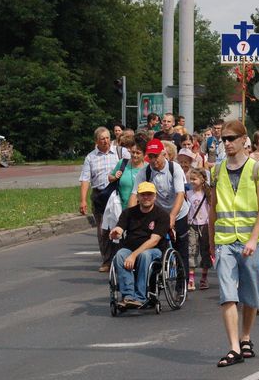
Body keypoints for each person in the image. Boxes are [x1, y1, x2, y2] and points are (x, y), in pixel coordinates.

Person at [208, 120, 259, 368]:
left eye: (232, 138)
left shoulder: (257, 170)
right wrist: (211, 242)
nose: (227, 143)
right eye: (224, 139)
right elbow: (213, 208)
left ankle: (245, 337)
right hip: (224, 241)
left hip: (249, 241)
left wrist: (254, 238)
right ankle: (234, 347)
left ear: (244, 140)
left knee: (251, 296)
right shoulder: (216, 171)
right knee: (227, 295)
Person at [130, 138, 191, 274]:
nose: (153, 160)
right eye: (150, 157)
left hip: (179, 212)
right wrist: (130, 218)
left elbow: (180, 194)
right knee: (156, 245)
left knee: (180, 248)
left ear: (163, 154)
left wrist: (172, 217)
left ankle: (183, 282)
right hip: (159, 214)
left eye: (156, 156)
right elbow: (134, 195)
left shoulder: (174, 168)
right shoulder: (145, 172)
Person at [109, 182, 170, 308]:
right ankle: (128, 296)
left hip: (154, 250)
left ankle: (141, 297)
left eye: (149, 194)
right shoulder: (128, 213)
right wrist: (117, 231)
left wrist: (133, 255)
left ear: (155, 196)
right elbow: (120, 227)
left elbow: (154, 240)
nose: (146, 197)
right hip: (130, 248)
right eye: (143, 195)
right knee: (120, 255)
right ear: (138, 196)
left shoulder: (162, 215)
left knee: (144, 255)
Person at [79, 127, 131, 271]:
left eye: (107, 137)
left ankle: (122, 257)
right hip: (100, 195)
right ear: (96, 141)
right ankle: (107, 261)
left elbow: (134, 163)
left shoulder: (121, 152)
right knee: (103, 229)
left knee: (121, 226)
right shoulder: (91, 157)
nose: (106, 141)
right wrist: (82, 200)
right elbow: (85, 179)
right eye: (102, 138)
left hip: (118, 194)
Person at [186, 168, 212, 291]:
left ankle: (204, 277)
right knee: (192, 250)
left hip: (205, 225)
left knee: (205, 251)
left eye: (194, 179)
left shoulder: (207, 194)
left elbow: (211, 210)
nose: (192, 181)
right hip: (192, 225)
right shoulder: (189, 193)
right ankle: (191, 279)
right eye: (190, 179)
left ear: (202, 180)